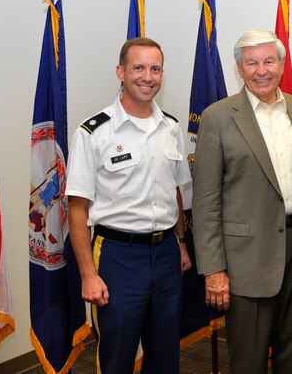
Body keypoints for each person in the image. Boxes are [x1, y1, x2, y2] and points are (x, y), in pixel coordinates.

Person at [191, 29, 292, 374]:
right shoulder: (217, 118)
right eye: (251, 63)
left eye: (269, 61)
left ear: (281, 64)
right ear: (240, 69)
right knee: (247, 363)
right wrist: (214, 270)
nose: (261, 70)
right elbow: (205, 201)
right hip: (244, 260)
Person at [67, 37, 192, 373]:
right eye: (138, 68)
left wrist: (180, 243)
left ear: (162, 74)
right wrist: (88, 275)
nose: (147, 76)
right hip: (117, 256)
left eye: (154, 69)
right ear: (120, 72)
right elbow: (77, 209)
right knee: (117, 355)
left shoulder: (172, 128)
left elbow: (175, 193)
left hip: (166, 252)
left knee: (166, 354)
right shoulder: (93, 133)